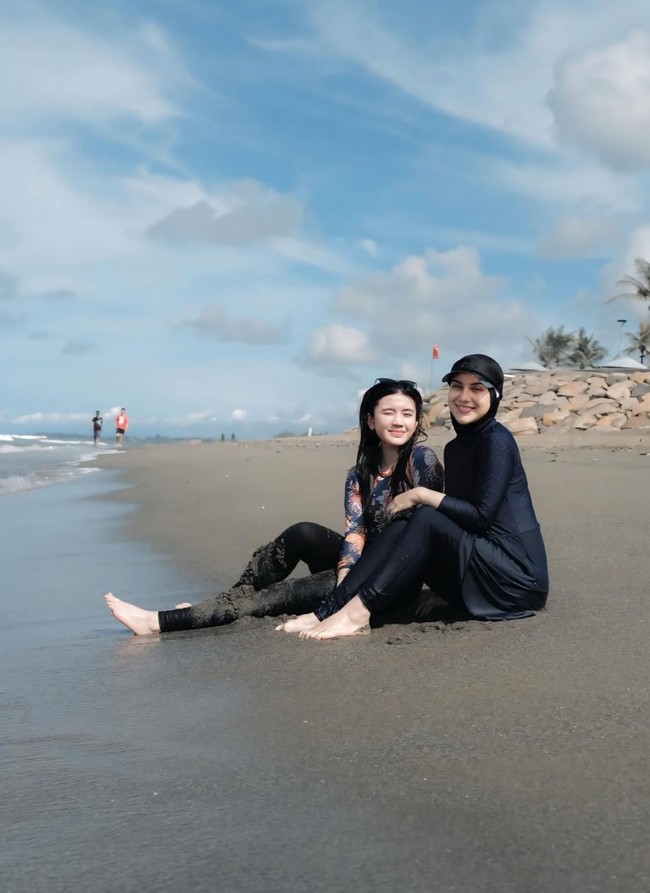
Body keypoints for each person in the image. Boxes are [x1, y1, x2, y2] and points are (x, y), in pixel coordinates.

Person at [105, 378, 444, 635]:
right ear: (371, 421)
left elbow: (423, 531)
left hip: (391, 579)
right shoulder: (359, 474)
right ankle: (227, 599)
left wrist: (345, 595)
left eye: (407, 414)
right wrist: (344, 580)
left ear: (416, 422)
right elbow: (354, 534)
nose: (398, 421)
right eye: (389, 413)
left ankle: (158, 622)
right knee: (304, 533)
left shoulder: (420, 460)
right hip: (360, 566)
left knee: (276, 598)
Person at [279, 354, 549, 640]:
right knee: (409, 518)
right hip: (482, 565)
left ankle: (357, 613)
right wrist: (447, 591)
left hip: (519, 582)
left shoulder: (497, 440)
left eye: (477, 388)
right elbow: (458, 523)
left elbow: (481, 519)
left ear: (494, 396)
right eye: (457, 386)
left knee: (424, 513)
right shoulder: (456, 448)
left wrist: (420, 494)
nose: (464, 396)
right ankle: (329, 609)